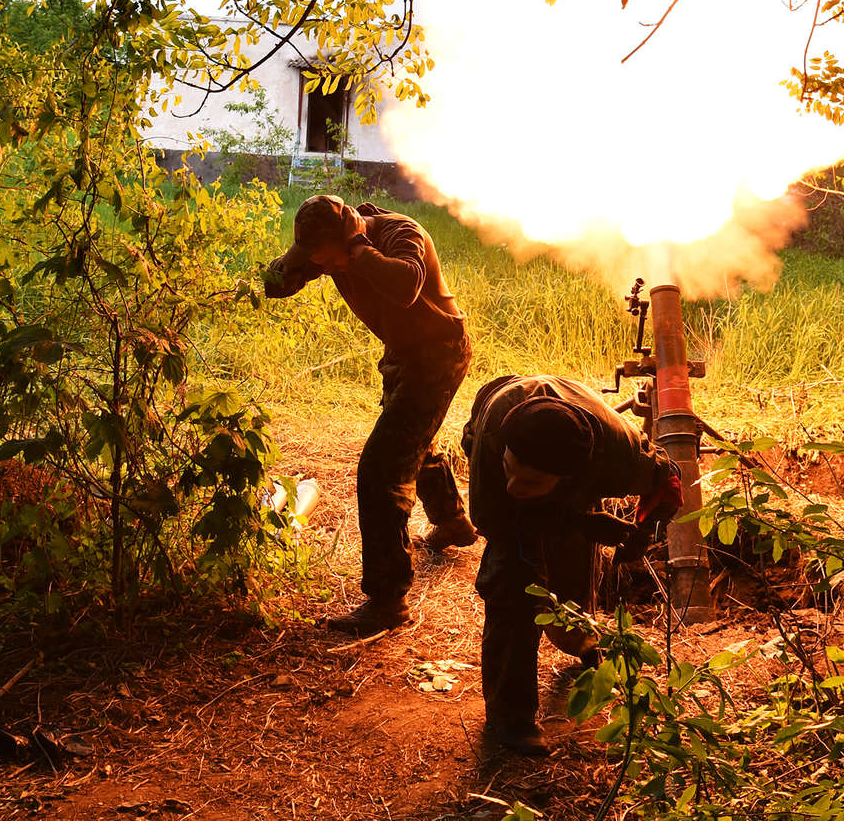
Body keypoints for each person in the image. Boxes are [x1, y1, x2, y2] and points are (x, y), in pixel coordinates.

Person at [264, 195, 477, 634]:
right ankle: (453, 522)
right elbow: (276, 284)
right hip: (403, 353)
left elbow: (406, 286)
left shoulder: (401, 233)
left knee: (382, 469)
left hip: (439, 352)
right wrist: (293, 262)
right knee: (414, 442)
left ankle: (388, 599)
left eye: (330, 259)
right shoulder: (326, 248)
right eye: (318, 260)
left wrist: (359, 251)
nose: (325, 267)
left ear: (353, 236)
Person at [463, 375, 683, 756]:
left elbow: (670, 479)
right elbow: (494, 521)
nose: (514, 486)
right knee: (513, 579)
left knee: (572, 562)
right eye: (511, 470)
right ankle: (510, 716)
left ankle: (581, 639)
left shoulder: (621, 458)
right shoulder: (495, 442)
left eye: (530, 482)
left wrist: (643, 533)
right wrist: (577, 521)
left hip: (574, 466)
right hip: (498, 405)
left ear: (570, 479)